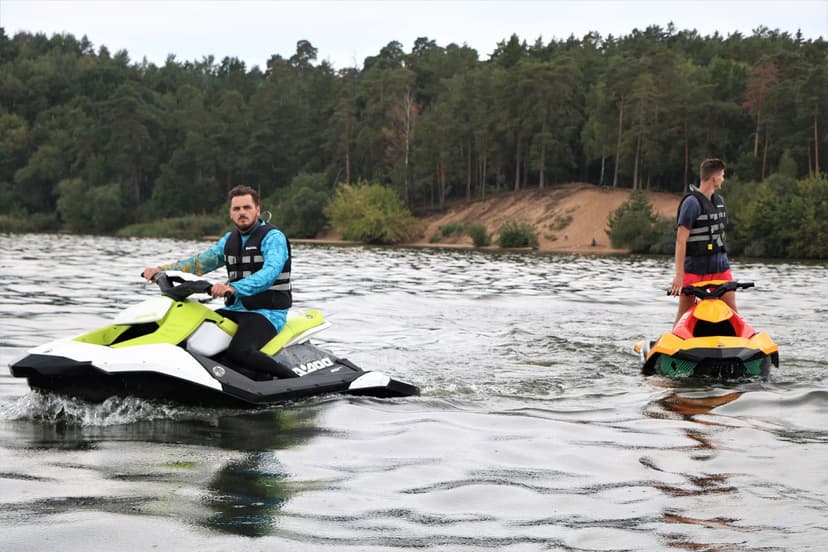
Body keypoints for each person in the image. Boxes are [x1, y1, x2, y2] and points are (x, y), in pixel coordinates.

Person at [143, 185, 298, 379]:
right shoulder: (229, 240)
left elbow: (270, 272)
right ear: (231, 213)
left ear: (258, 210)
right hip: (236, 310)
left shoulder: (273, 238)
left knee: (240, 351)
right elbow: (199, 263)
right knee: (192, 334)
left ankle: (292, 381)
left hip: (267, 312)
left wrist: (233, 288)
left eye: (247, 207)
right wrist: (161, 270)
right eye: (236, 209)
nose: (242, 212)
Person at [669, 158, 735, 325]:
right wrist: (679, 275)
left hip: (720, 266)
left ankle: (740, 342)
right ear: (714, 177)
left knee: (732, 311)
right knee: (684, 316)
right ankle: (673, 344)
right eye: (722, 175)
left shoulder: (720, 202)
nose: (723, 179)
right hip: (694, 268)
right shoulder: (692, 203)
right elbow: (680, 240)